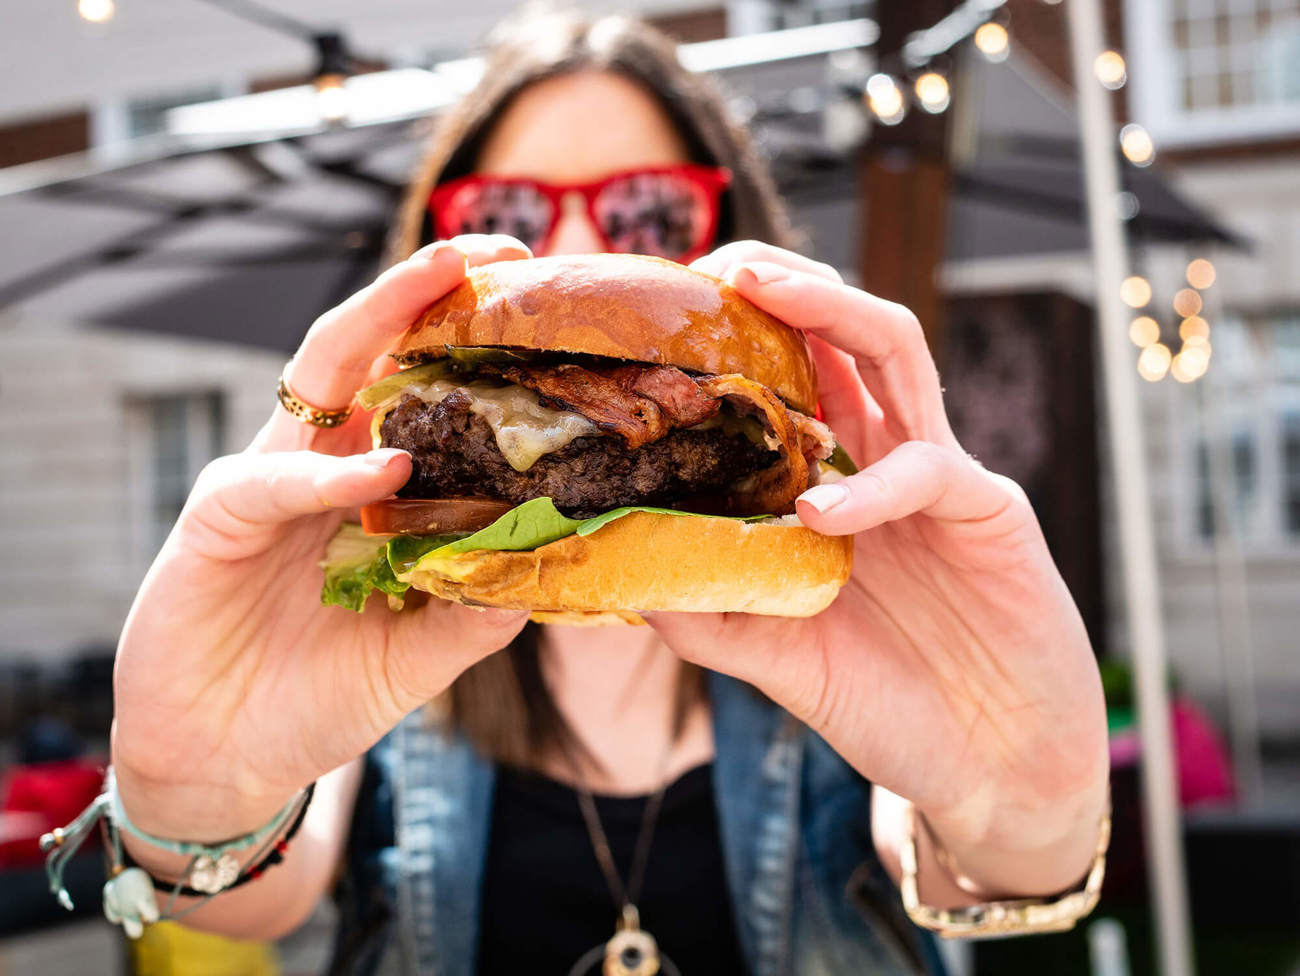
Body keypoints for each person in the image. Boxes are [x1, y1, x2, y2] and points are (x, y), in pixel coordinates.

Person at [107, 10, 1110, 975]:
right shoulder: (363, 631)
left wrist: (1026, 803)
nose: (579, 249)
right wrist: (193, 788)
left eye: (649, 211)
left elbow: (969, 872)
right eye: (507, 217)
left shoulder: (856, 607)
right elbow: (255, 904)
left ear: (732, 235)